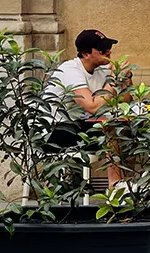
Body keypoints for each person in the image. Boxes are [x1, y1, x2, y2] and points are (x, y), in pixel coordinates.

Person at [44, 29, 126, 189]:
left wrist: (125, 81)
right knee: (109, 128)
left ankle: (126, 184)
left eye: (109, 47)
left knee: (129, 130)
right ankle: (115, 186)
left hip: (76, 125)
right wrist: (114, 80)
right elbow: (93, 107)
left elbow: (124, 101)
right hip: (51, 130)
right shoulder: (70, 70)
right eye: (103, 49)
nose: (109, 52)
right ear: (86, 53)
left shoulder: (102, 70)